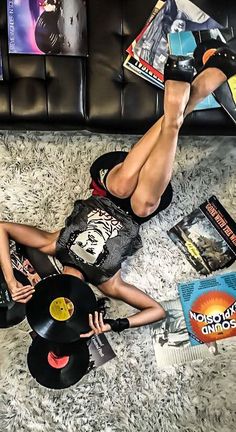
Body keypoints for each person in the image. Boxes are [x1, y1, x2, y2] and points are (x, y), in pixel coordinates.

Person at [0, 45, 235, 337]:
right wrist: (115, 324)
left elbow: (2, 228)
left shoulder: (53, 245)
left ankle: (184, 106)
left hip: (110, 178)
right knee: (142, 207)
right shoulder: (107, 282)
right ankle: (178, 111)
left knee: (122, 185)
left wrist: (11, 281)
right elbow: (157, 311)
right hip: (147, 198)